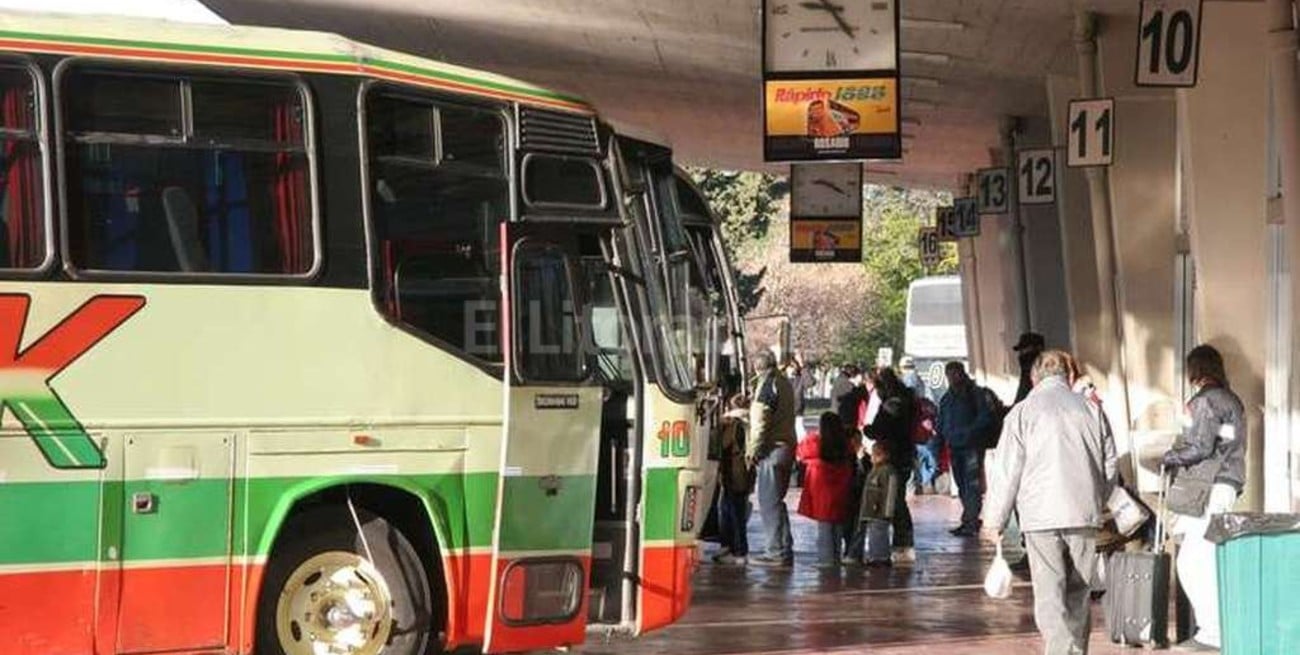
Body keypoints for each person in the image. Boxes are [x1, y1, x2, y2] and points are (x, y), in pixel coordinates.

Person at [986, 350, 1117, 655]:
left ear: (1034, 378)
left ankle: (1060, 651)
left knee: (1049, 593)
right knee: (1078, 591)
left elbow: (1007, 470)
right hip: (1083, 514)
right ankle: (1075, 651)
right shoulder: (1091, 410)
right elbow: (1109, 464)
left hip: (1040, 516)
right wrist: (1097, 497)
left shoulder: (1022, 412)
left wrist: (995, 519)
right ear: (1069, 376)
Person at [1161, 345, 1245, 653]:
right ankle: (1214, 628)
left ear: (1195, 370)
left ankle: (1212, 632)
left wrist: (1169, 456)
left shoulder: (1206, 400)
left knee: (1192, 561)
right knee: (1206, 557)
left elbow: (1200, 446)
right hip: (1226, 483)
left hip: (1207, 487)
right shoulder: (1232, 399)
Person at [747, 350, 797, 568]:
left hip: (771, 449)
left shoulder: (767, 385)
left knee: (768, 503)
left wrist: (752, 451)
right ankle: (784, 547)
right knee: (778, 500)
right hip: (787, 446)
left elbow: (760, 422)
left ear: (758, 367)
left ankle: (775, 551)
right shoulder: (783, 382)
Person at [864, 367, 916, 563]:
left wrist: (868, 429)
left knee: (895, 503)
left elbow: (880, 428)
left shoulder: (892, 404)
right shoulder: (906, 400)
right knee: (898, 500)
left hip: (893, 457)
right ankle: (902, 543)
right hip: (904, 455)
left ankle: (902, 544)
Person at [936, 361, 993, 537]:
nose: (953, 378)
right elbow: (942, 421)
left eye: (956, 374)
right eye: (950, 375)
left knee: (971, 484)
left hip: (971, 446)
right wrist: (942, 438)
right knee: (962, 484)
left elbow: (985, 417)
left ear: (962, 373)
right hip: (955, 446)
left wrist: (969, 432)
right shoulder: (947, 398)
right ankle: (969, 519)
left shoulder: (974, 394)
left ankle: (971, 519)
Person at [796, 413, 856, 569]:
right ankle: (836, 557)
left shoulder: (815, 442)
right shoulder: (845, 444)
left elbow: (801, 452)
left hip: (821, 492)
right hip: (841, 491)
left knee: (824, 527)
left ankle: (826, 560)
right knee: (837, 526)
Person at [713, 394, 753, 566]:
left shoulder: (733, 424)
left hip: (734, 473)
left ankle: (736, 549)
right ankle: (735, 548)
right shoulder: (749, 423)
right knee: (736, 510)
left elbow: (723, 445)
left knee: (732, 511)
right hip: (743, 472)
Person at [853, 441, 900, 567]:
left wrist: (888, 511)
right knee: (875, 534)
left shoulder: (887, 471)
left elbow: (890, 492)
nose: (874, 457)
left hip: (880, 510)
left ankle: (881, 557)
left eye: (877, 454)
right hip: (872, 510)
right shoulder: (875, 470)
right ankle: (876, 556)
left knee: (879, 534)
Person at [1013, 332, 1046, 405]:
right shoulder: (1027, 370)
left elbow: (1022, 400)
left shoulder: (1034, 370)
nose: (1021, 353)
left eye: (1025, 348)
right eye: (1021, 350)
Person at [786, 358, 809, 439]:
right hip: (785, 411)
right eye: (790, 366)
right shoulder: (783, 379)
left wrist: (803, 368)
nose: (792, 368)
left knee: (800, 431)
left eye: (793, 366)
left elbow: (810, 382)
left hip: (797, 410)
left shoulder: (800, 378)